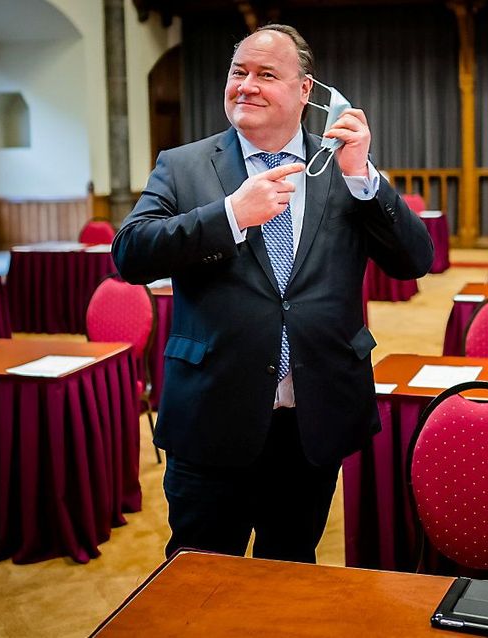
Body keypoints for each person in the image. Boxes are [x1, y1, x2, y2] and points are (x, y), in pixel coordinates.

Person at [112, 24, 433, 563]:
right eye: (239, 72)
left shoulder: (341, 167)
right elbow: (131, 254)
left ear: (307, 92)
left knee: (291, 569)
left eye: (267, 74)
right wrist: (231, 214)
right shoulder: (184, 165)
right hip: (214, 415)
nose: (247, 85)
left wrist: (366, 179)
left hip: (312, 419)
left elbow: (414, 262)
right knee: (198, 577)